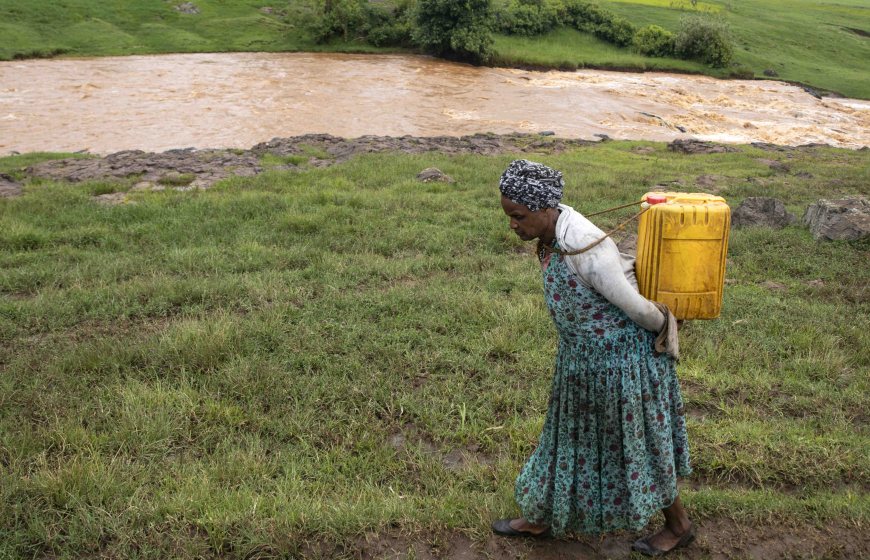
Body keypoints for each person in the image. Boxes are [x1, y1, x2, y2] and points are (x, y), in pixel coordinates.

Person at [491, 159, 695, 556]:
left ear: (546, 208)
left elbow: (636, 308)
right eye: (510, 216)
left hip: (622, 365)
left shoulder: (588, 246)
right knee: (563, 436)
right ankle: (542, 516)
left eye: (518, 216)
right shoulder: (553, 232)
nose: (513, 225)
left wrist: (666, 328)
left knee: (636, 443)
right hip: (581, 360)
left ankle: (679, 526)